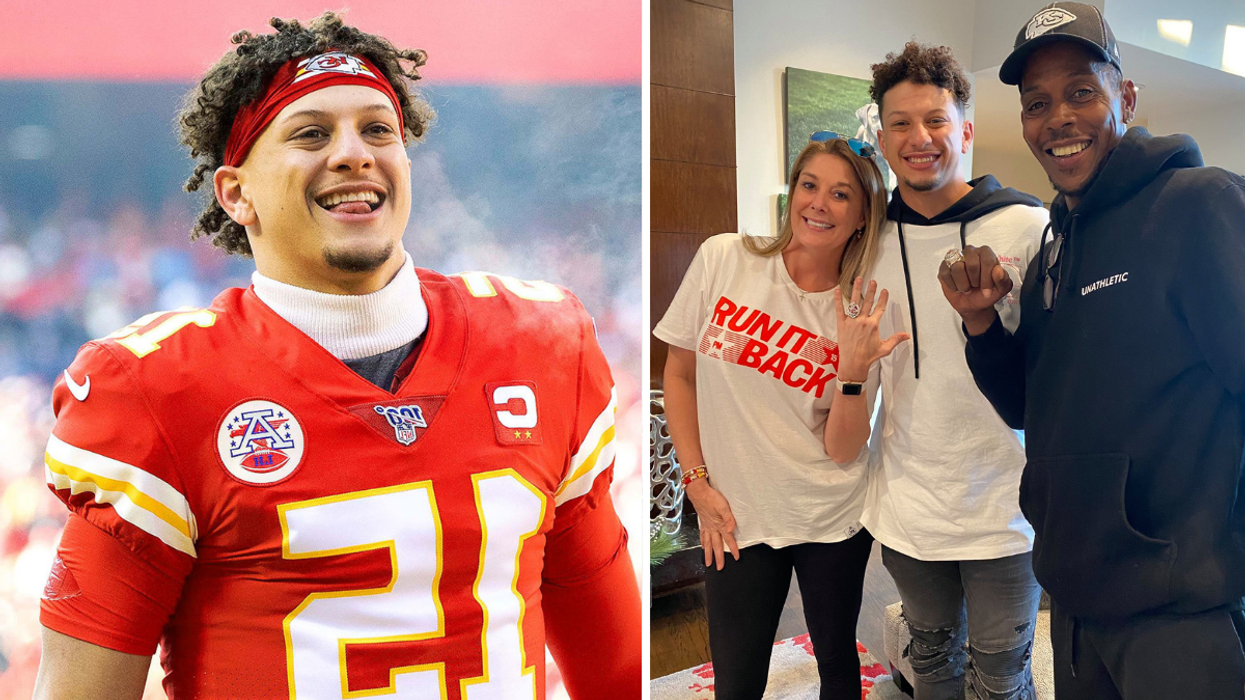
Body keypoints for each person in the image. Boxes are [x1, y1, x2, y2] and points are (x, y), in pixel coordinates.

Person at [32, 14, 640, 700]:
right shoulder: (154, 386)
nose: (354, 153)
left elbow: (616, 669)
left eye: (378, 129)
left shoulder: (540, 341)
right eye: (311, 133)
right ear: (237, 193)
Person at [939, 3, 1245, 698]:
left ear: (1124, 98)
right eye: (1036, 102)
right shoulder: (1055, 243)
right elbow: (1027, 402)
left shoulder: (1197, 203)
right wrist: (982, 325)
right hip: (1075, 602)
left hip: (1182, 612)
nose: (1057, 118)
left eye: (1081, 91)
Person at [654, 135, 906, 699]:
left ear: (864, 216)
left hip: (831, 514)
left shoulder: (864, 306)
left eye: (841, 194)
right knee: (737, 680)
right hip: (735, 513)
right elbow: (680, 374)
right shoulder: (725, 258)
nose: (819, 203)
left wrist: (853, 370)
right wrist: (696, 484)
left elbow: (843, 450)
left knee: (838, 668)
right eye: (809, 185)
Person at [861, 42, 1048, 700]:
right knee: (930, 670)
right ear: (881, 137)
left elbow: (1051, 376)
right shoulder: (865, 241)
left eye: (936, 120)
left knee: (1001, 680)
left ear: (963, 130)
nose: (919, 138)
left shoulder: (1028, 226)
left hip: (1006, 509)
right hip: (908, 510)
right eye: (901, 124)